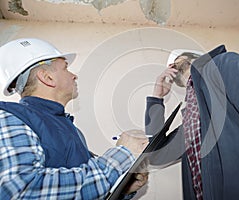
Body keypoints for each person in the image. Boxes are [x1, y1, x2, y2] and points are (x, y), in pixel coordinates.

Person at [0, 38, 148, 200]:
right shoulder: (9, 117)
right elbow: (22, 191)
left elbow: (89, 190)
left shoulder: (72, 130)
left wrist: (122, 189)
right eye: (65, 68)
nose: (74, 75)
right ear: (47, 77)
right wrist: (122, 155)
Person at [145, 45, 239, 200]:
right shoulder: (192, 119)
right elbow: (157, 155)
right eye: (172, 64)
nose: (174, 65)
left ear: (196, 57)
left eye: (179, 60)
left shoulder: (224, 65)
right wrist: (156, 98)